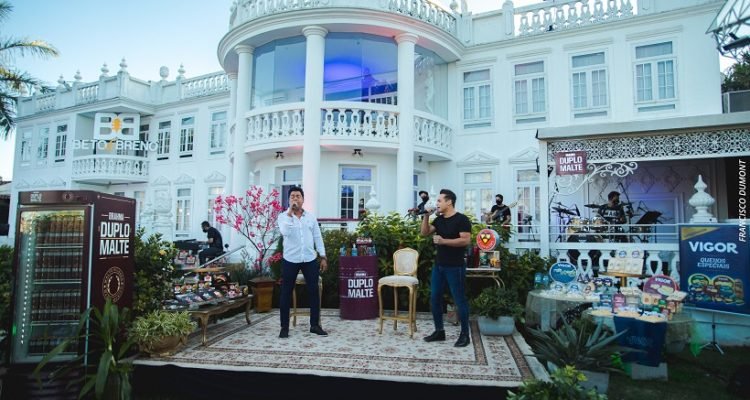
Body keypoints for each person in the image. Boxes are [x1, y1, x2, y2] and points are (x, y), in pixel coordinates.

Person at [420, 189, 472, 347]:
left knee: (459, 300)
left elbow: (465, 241)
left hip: (455, 266)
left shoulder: (462, 219)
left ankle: (465, 335)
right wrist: (426, 216)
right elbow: (424, 233)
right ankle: (439, 331)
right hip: (439, 266)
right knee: (434, 298)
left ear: (449, 202)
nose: (437, 203)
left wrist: (443, 241)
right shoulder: (439, 220)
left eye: (439, 201)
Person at [276, 186, 328, 338]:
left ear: (303, 199)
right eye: (292, 196)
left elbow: (317, 237)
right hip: (290, 259)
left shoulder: (310, 217)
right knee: (286, 293)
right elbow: (285, 232)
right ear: (288, 200)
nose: (295, 198)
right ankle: (284, 327)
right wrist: (290, 213)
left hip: (309, 259)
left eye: (298, 196)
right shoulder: (283, 217)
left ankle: (315, 325)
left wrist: (323, 256)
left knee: (313, 292)